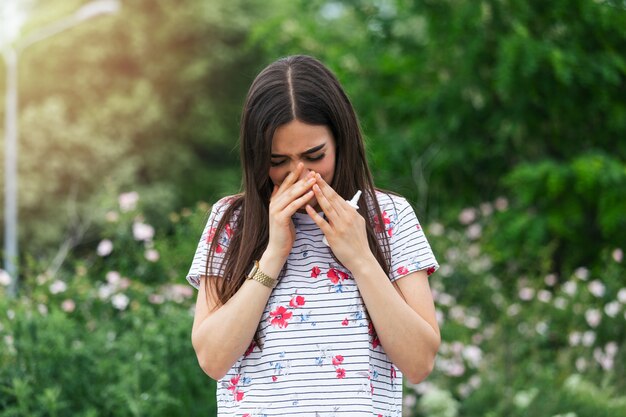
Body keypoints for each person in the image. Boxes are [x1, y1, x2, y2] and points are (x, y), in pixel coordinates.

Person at [186, 55, 440, 417]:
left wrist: (361, 257)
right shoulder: (231, 222)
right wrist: (274, 251)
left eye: (314, 155)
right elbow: (212, 359)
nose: (299, 174)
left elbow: (420, 363)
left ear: (341, 141)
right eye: (278, 162)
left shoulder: (390, 217)